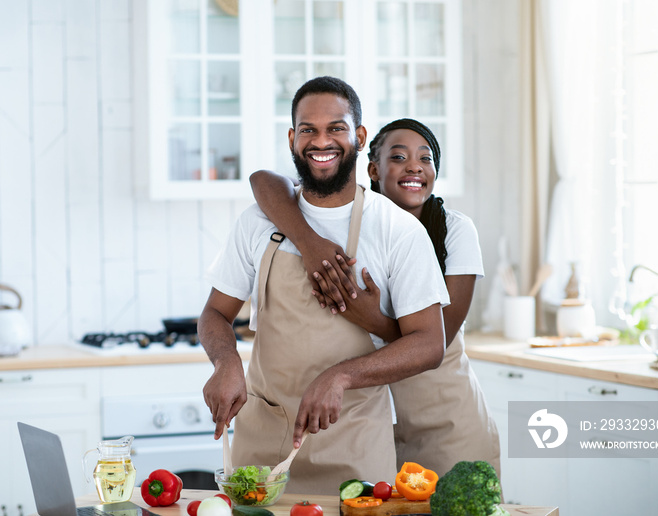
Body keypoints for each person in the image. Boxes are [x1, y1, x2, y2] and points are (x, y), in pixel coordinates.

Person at [198, 77, 449, 495]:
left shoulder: (397, 230)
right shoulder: (258, 222)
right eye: (309, 130)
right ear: (293, 138)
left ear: (359, 137)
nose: (321, 141)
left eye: (336, 128)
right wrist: (225, 362)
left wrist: (342, 376)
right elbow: (214, 313)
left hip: (354, 445)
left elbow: (429, 343)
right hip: (263, 444)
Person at [249, 118, 501, 477]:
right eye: (398, 157)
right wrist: (306, 240)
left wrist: (370, 318)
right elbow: (264, 181)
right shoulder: (362, 223)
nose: (414, 165)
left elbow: (437, 341)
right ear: (373, 169)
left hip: (446, 423)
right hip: (374, 426)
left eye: (425, 158)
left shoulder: (454, 230)